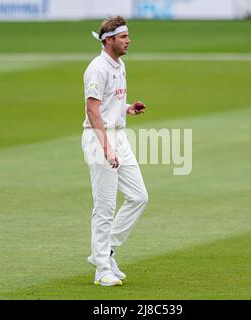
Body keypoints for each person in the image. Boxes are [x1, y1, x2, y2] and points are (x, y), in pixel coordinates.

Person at [81, 16, 149, 286]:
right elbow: (92, 110)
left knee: (139, 197)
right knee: (105, 207)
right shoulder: (97, 68)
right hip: (100, 139)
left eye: (128, 36)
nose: (128, 41)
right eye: (123, 37)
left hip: (119, 136)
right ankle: (101, 269)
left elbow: (111, 103)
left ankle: (106, 252)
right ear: (109, 40)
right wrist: (107, 149)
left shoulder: (119, 65)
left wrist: (128, 108)